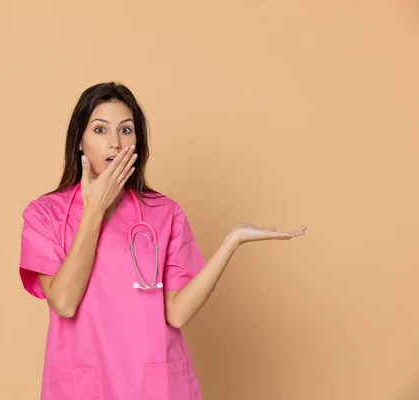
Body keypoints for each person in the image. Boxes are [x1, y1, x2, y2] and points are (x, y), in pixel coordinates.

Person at [18, 82, 307, 400]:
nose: (115, 143)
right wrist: (94, 211)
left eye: (126, 130)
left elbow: (177, 314)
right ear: (80, 143)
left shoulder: (164, 213)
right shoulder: (45, 214)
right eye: (100, 130)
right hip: (86, 385)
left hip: (153, 385)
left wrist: (231, 242)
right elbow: (64, 302)